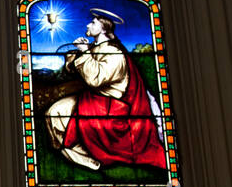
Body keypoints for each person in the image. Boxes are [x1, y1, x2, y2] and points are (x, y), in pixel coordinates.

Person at [45, 13, 166, 171]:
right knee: (53, 113)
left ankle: (94, 160)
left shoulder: (114, 53)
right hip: (94, 100)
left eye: (93, 23)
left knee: (57, 114)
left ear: (103, 29)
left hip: (113, 108)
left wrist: (85, 53)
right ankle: (85, 159)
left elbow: (95, 79)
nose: (88, 25)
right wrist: (73, 59)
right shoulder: (96, 48)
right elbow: (79, 71)